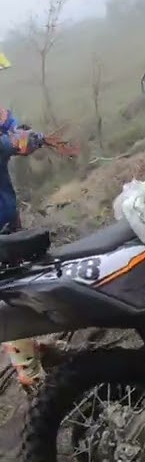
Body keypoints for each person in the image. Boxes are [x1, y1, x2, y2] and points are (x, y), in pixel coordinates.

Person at [0, 109, 53, 388]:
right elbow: (18, 142)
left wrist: (18, 128)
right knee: (10, 292)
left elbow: (10, 124)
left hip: (6, 218)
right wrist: (30, 138)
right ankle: (30, 373)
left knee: (21, 280)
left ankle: (35, 342)